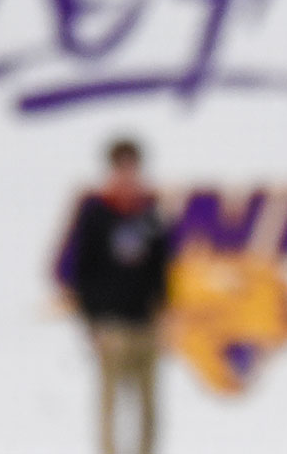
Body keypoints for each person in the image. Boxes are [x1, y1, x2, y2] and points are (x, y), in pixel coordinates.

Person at [53, 138, 170, 454]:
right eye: (122, 167)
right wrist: (92, 320)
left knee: (148, 408)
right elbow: (79, 270)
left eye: (132, 167)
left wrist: (163, 314)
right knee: (110, 405)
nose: (127, 175)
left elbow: (160, 270)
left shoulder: (149, 213)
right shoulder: (96, 213)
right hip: (111, 325)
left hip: (144, 323)